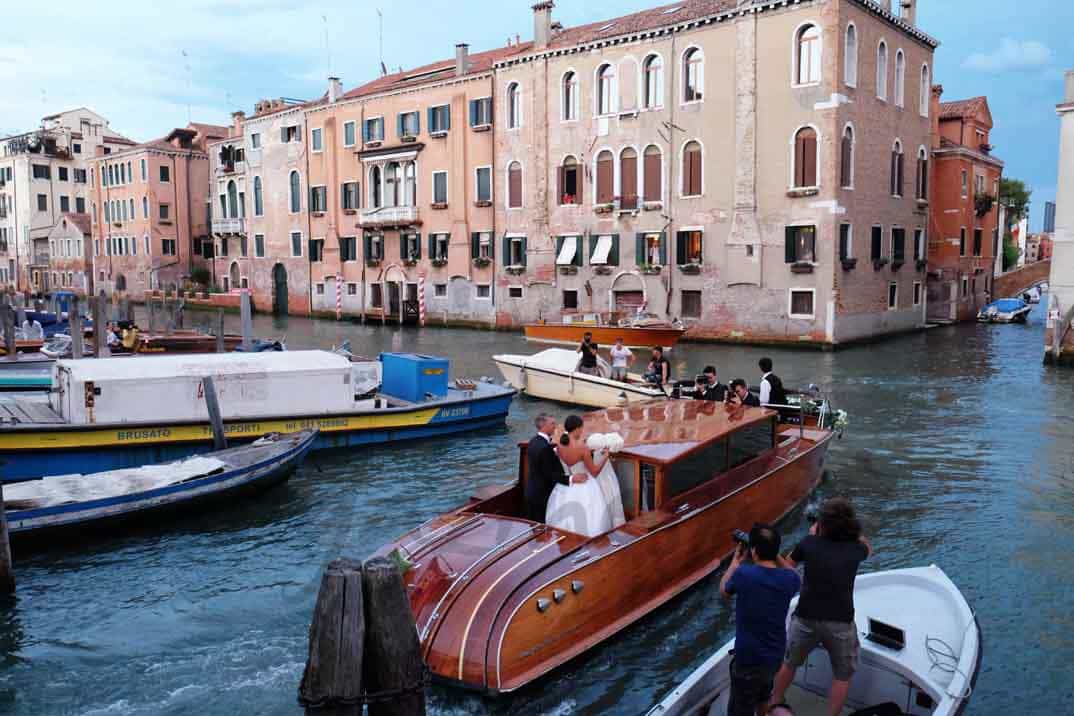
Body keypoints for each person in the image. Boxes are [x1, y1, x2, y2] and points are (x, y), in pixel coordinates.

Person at [770, 498, 873, 716]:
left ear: (822, 524)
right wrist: (853, 533)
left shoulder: (809, 543)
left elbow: (788, 565)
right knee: (842, 675)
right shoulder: (855, 549)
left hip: (806, 615)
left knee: (789, 663)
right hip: (840, 622)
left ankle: (775, 701)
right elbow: (867, 548)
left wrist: (813, 536)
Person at [720, 525, 801, 716]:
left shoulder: (744, 574)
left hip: (748, 659)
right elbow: (795, 574)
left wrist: (735, 561)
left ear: (753, 550)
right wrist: (775, 555)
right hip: (774, 657)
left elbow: (724, 591)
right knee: (763, 697)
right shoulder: (789, 579)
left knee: (741, 708)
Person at [546, 415, 625, 537]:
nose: (582, 431)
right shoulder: (582, 448)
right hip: (586, 485)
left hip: (568, 486)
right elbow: (594, 472)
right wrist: (606, 456)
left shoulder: (560, 444)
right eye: (581, 428)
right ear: (577, 429)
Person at [524, 414, 581, 522]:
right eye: (552, 423)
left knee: (535, 528)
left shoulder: (533, 441)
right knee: (542, 530)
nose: (555, 426)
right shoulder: (545, 448)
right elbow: (550, 474)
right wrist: (572, 478)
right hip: (542, 496)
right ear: (543, 426)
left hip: (532, 492)